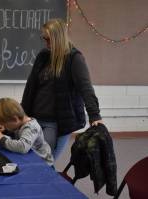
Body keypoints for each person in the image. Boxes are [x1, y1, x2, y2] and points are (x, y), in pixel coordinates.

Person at [21, 18, 103, 160]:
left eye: (49, 39)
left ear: (58, 38)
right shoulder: (43, 56)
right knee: (29, 159)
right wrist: (21, 114)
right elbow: (30, 88)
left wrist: (95, 115)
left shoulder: (74, 58)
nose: (46, 43)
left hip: (57, 123)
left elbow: (86, 88)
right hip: (35, 119)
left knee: (45, 163)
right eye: (44, 38)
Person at [0, 98, 54, 166]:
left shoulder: (31, 127)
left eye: (5, 125)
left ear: (15, 119)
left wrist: (2, 139)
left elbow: (22, 147)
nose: (4, 126)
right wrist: (5, 131)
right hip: (29, 158)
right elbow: (16, 133)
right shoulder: (19, 124)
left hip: (42, 163)